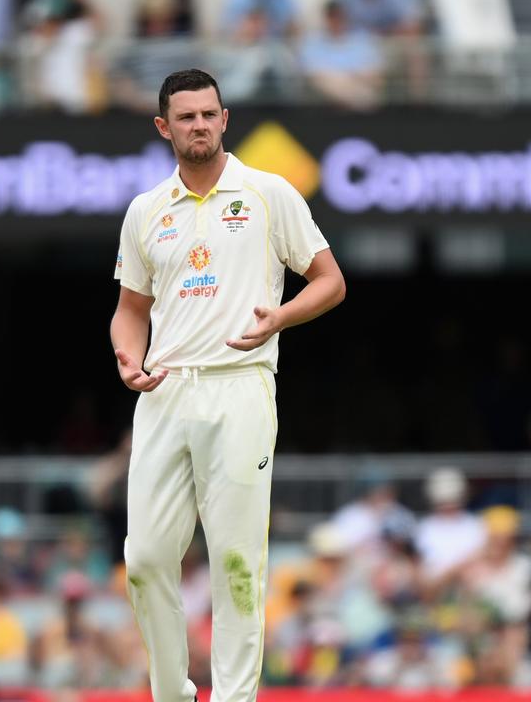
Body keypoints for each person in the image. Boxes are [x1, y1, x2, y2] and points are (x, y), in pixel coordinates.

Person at [109, 68, 345, 702]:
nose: (200, 126)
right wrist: (127, 357)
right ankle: (170, 691)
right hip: (163, 393)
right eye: (186, 117)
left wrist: (282, 315)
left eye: (209, 114)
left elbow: (329, 281)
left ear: (224, 118)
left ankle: (236, 697)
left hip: (240, 386)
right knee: (147, 558)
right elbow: (131, 308)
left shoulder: (268, 192)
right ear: (165, 127)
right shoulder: (146, 211)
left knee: (237, 560)